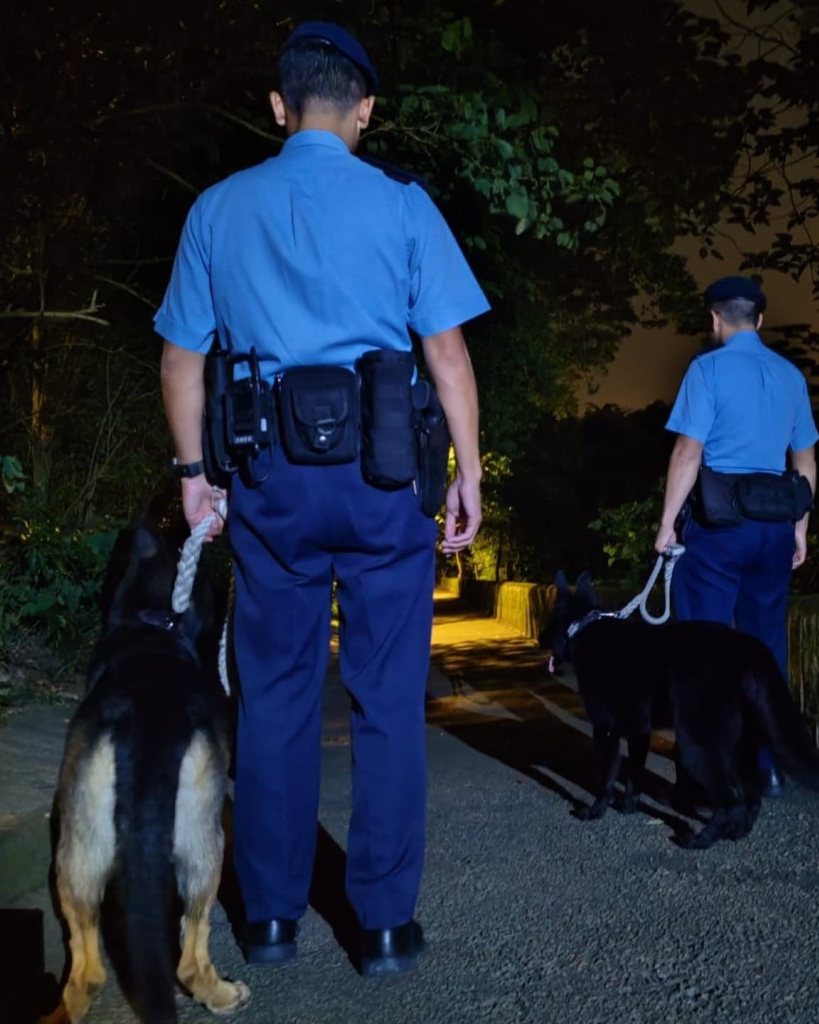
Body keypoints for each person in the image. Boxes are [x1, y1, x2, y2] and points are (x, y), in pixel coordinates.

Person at [155, 21, 489, 977]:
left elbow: (182, 360)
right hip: (385, 483)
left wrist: (193, 475)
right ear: (366, 111)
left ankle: (269, 920)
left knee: (277, 699)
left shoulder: (219, 209)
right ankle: (382, 926)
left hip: (271, 483)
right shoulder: (404, 205)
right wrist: (468, 472)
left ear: (279, 106)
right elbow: (450, 356)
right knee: (387, 700)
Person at [653, 275, 818, 796]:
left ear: (716, 320)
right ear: (761, 320)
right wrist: (800, 530)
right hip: (772, 529)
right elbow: (806, 461)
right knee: (764, 651)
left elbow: (688, 452)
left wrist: (664, 525)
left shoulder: (707, 370)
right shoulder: (791, 376)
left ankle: (706, 770)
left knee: (702, 649)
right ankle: (766, 766)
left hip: (719, 529)